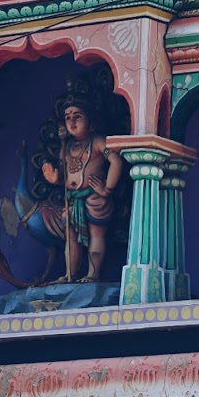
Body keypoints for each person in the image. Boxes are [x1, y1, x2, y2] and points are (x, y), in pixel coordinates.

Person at [39, 97, 123, 282]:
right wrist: (55, 178)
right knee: (71, 237)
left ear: (89, 120)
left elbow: (116, 161)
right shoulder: (66, 147)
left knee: (96, 234)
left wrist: (107, 189)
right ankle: (70, 274)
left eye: (77, 116)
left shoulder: (98, 141)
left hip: (95, 198)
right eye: (68, 117)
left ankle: (93, 274)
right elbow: (64, 175)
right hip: (72, 199)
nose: (72, 121)